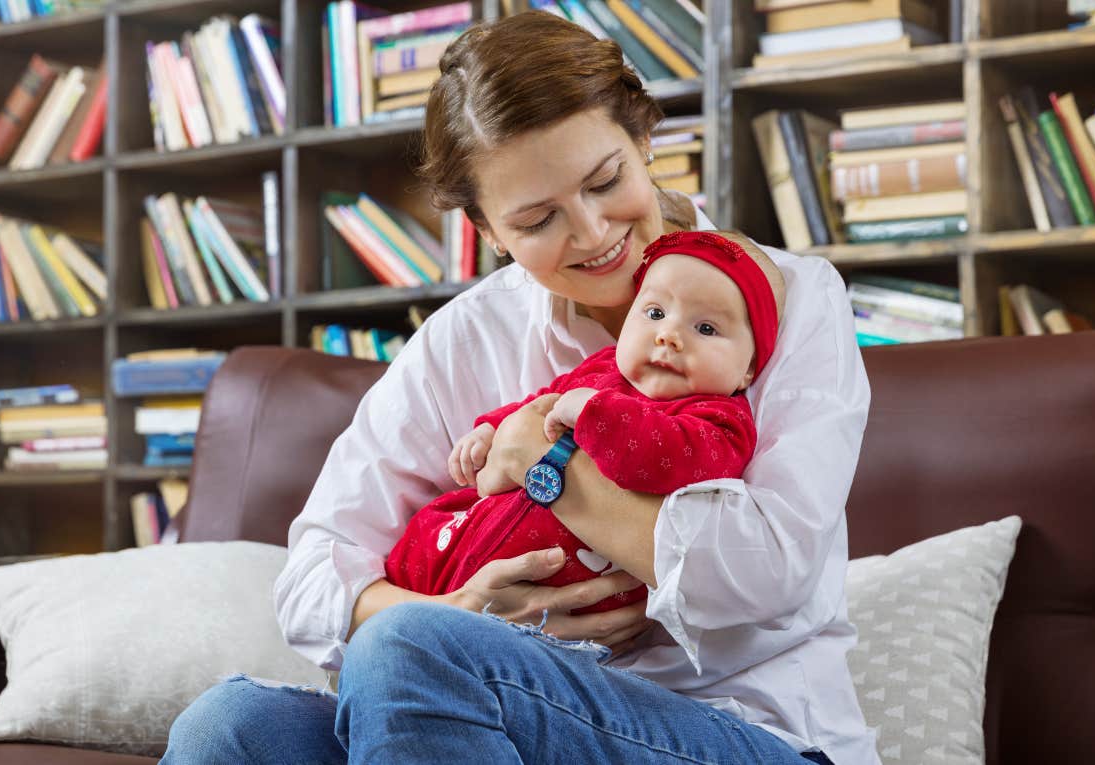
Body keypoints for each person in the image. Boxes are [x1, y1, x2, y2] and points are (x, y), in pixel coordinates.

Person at [163, 10, 878, 765]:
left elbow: (768, 570)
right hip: (494, 712)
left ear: (643, 141)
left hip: (745, 728)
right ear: (487, 228)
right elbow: (312, 575)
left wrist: (547, 461)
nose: (595, 231)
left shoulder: (791, 298)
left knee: (416, 652)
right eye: (538, 220)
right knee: (228, 727)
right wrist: (460, 613)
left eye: (607, 180)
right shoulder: (466, 336)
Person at [383, 230, 787, 617]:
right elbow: (539, 405)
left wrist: (597, 415)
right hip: (468, 536)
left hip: (551, 600)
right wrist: (490, 430)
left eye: (706, 328)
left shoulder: (719, 421)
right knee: (405, 585)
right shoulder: (604, 367)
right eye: (655, 313)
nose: (669, 336)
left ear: (748, 369)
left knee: (415, 643)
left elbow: (670, 459)